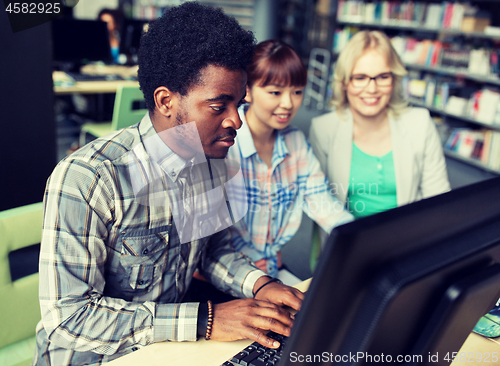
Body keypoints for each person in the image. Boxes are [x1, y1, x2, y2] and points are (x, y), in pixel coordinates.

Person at [33, 4, 303, 365]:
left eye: (239, 104)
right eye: (218, 106)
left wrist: (261, 285)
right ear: (165, 101)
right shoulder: (90, 179)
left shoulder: (213, 160)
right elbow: (69, 317)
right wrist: (206, 320)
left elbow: (212, 252)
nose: (237, 121)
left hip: (170, 349)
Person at [226, 40, 354, 280]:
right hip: (227, 271)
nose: (288, 104)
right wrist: (247, 257)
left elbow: (322, 201)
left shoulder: (295, 142)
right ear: (248, 91)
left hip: (270, 271)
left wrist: (359, 238)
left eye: (297, 92)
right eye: (275, 92)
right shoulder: (225, 143)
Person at [309, 30, 450, 220]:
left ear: (394, 79)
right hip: (349, 241)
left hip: (411, 240)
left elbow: (439, 201)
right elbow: (321, 203)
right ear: (344, 83)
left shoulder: (421, 124)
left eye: (383, 77)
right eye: (360, 78)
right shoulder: (323, 129)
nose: (372, 89)